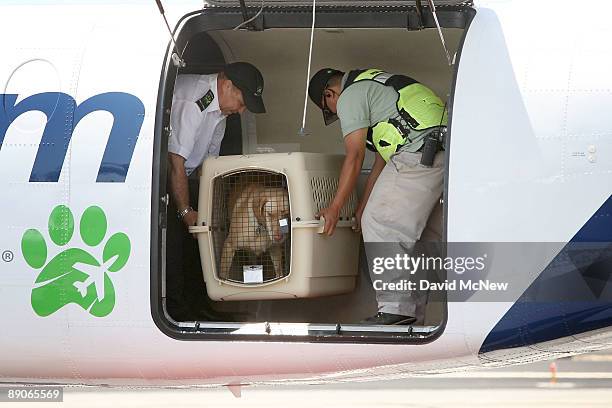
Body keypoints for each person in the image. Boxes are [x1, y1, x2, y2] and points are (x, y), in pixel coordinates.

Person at [308, 68, 446, 325]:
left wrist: (335, 207)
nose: (341, 116)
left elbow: (355, 156)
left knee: (382, 223)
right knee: (420, 238)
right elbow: (382, 161)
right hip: (440, 154)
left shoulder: (350, 96)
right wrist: (362, 207)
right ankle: (411, 315)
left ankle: (396, 309)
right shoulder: (379, 87)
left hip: (418, 155)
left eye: (331, 108)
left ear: (330, 94)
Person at [166, 62, 266, 321]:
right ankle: (177, 312)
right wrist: (186, 211)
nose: (241, 111)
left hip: (187, 175)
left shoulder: (220, 112)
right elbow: (175, 161)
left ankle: (199, 309)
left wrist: (212, 212)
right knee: (175, 247)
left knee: (198, 244)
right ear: (228, 85)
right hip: (166, 177)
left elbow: (208, 166)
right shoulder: (194, 100)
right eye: (242, 103)